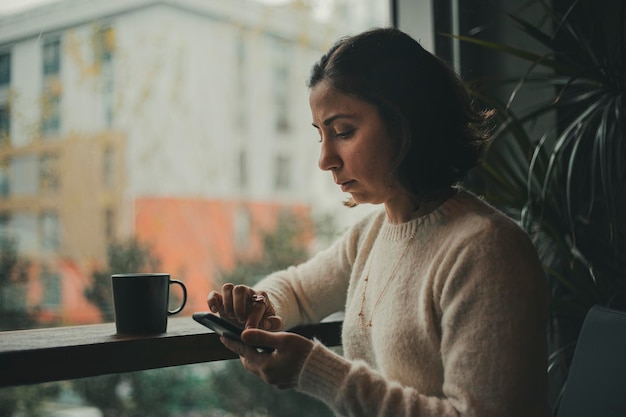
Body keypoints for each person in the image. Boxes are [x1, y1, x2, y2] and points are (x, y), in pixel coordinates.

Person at [207, 27, 551, 417]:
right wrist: (256, 306)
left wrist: (314, 370)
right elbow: (298, 290)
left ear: (408, 122)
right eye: (321, 135)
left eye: (343, 132)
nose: (325, 159)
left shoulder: (487, 251)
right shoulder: (371, 235)